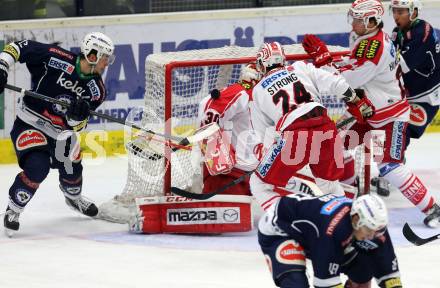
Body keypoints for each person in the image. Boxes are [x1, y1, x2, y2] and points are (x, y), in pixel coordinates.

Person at [302, 0, 440, 228]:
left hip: (391, 115)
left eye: (358, 19)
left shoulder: (374, 48)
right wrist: (329, 62)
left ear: (371, 22)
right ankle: (350, 194)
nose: (353, 23)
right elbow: (351, 66)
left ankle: (432, 208)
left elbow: (345, 80)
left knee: (389, 164)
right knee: (335, 146)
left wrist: (324, 61)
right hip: (370, 112)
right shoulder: (364, 37)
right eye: (353, 17)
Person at [0, 32, 115, 236]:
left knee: (72, 171)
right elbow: (17, 47)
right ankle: (14, 209)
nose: (107, 64)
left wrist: (75, 118)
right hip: (31, 122)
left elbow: (77, 127)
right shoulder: (55, 56)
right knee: (38, 166)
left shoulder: (97, 90)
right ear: (93, 54)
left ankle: (73, 198)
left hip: (62, 133)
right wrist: (2, 67)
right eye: (105, 57)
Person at [249, 41, 374, 211]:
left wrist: (264, 157)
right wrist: (356, 101)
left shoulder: (257, 90)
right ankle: (345, 221)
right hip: (325, 127)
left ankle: (279, 223)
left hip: (294, 135)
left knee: (258, 184)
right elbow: (337, 84)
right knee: (329, 185)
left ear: (262, 64)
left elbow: (260, 135)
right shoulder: (300, 68)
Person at [258, 193, 401, 288]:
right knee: (296, 284)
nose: (372, 236)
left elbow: (389, 274)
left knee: (363, 272)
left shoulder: (375, 226)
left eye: (377, 231)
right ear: (356, 219)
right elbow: (325, 282)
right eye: (369, 230)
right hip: (280, 230)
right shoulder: (331, 231)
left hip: (314, 233)